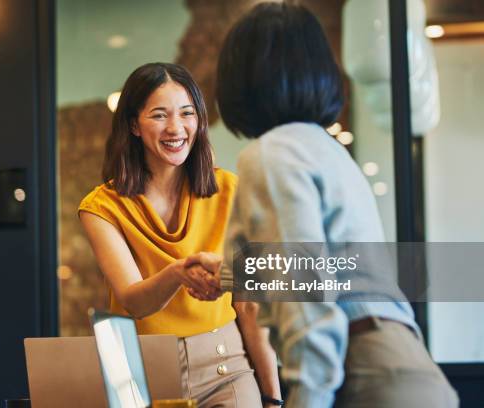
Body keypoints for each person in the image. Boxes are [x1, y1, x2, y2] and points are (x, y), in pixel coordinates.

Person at [186, 3, 459, 408]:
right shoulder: (325, 150)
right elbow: (338, 266)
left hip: (364, 372)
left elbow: (307, 301)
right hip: (403, 365)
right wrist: (230, 275)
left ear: (242, 78)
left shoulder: (271, 155)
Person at [78, 62, 280, 407]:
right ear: (133, 125)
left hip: (226, 368)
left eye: (187, 113)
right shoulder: (101, 207)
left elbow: (249, 308)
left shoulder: (231, 191)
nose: (176, 128)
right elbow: (134, 301)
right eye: (159, 115)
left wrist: (273, 399)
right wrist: (178, 273)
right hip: (140, 376)